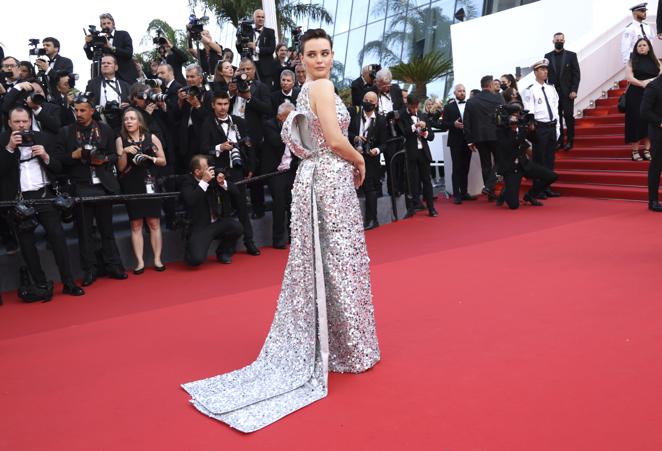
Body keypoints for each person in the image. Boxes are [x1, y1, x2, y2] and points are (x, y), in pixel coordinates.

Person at [181, 28, 380, 433]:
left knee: (331, 262)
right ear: (301, 59)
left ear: (331, 54)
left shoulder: (306, 91)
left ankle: (340, 346)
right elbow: (337, 139)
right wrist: (360, 160)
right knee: (342, 261)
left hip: (314, 179)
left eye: (325, 53)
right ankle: (350, 349)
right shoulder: (320, 89)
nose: (320, 60)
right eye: (312, 54)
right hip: (329, 177)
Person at [0, 107, 84, 298]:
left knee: (58, 238)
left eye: (25, 121)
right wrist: (9, 149)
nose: (22, 125)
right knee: (27, 244)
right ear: (9, 123)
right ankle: (41, 284)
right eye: (17, 122)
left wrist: (45, 156)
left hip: (43, 194)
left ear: (30, 121)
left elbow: (58, 167)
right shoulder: (3, 140)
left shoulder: (44, 138)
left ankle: (68, 282)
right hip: (18, 200)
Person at [59, 93, 127, 286]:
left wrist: (103, 159)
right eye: (76, 110)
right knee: (84, 232)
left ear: (91, 111)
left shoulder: (105, 130)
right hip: (80, 186)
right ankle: (90, 270)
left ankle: (114, 265)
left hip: (103, 185)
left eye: (82, 110)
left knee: (107, 230)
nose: (78, 114)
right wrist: (73, 155)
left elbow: (115, 155)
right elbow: (58, 162)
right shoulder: (66, 132)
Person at [199, 91, 260, 256]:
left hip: (238, 171)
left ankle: (250, 242)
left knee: (243, 209)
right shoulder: (207, 124)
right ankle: (227, 249)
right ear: (213, 105)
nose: (223, 108)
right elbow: (203, 150)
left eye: (225, 104)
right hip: (220, 173)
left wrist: (251, 168)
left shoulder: (239, 121)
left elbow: (249, 145)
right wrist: (219, 147)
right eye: (219, 104)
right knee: (225, 212)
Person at [116, 108, 167, 273]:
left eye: (132, 118)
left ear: (139, 121)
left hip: (150, 181)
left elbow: (163, 161)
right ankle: (140, 262)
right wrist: (123, 152)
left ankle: (158, 259)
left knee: (154, 222)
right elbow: (121, 168)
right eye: (126, 119)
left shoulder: (151, 137)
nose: (128, 122)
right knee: (136, 224)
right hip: (131, 184)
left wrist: (149, 158)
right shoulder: (120, 140)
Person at [180, 155, 243, 265]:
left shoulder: (213, 178)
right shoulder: (187, 181)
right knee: (195, 260)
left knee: (236, 227)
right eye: (206, 167)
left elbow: (236, 192)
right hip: (201, 227)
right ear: (197, 171)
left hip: (217, 222)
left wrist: (222, 183)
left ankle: (223, 252)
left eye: (209, 166)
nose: (210, 169)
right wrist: (204, 182)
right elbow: (190, 200)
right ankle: (190, 248)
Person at [522, 59, 561, 199]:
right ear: (535, 72)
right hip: (540, 127)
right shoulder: (530, 90)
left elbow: (556, 109)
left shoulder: (551, 88)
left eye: (546, 69)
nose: (545, 72)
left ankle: (547, 187)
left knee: (550, 159)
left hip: (551, 126)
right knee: (540, 160)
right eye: (542, 69)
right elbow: (529, 111)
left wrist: (558, 129)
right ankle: (538, 189)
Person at [261, 101, 297, 248]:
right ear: (279, 116)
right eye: (288, 117)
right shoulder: (269, 124)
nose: (291, 119)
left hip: (292, 169)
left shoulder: (297, 126)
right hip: (276, 171)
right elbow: (276, 141)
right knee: (279, 204)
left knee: (293, 204)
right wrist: (290, 131)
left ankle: (293, 236)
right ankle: (278, 238)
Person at [349, 90, 387, 229]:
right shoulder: (354, 114)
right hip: (352, 155)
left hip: (371, 159)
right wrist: (355, 137)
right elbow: (345, 131)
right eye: (366, 100)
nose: (368, 103)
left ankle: (372, 219)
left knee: (370, 188)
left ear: (376, 104)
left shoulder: (381, 120)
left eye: (371, 101)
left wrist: (375, 150)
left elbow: (384, 143)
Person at [463, 75, 505, 201]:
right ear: (490, 85)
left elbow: (467, 122)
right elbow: (504, 116)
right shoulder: (498, 98)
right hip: (496, 136)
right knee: (500, 161)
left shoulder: (471, 101)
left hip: (479, 138)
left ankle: (490, 192)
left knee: (485, 164)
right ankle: (488, 186)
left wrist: (469, 140)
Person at [399, 94, 438, 218]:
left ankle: (431, 208)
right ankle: (412, 207)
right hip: (410, 153)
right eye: (413, 107)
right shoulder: (402, 116)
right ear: (408, 105)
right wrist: (414, 126)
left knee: (426, 180)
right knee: (412, 182)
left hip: (423, 153)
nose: (415, 110)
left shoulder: (423, 116)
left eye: (417, 107)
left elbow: (431, 136)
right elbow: (403, 133)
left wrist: (425, 131)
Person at [624, 38, 661, 161]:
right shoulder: (632, 61)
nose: (642, 47)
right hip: (635, 94)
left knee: (649, 121)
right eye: (639, 45)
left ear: (649, 47)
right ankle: (634, 150)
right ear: (636, 48)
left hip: (653, 95)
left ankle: (646, 150)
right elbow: (629, 77)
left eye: (644, 45)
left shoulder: (656, 61)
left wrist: (651, 83)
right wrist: (642, 83)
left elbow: (660, 74)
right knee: (636, 121)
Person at [544, 32, 581, 150]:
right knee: (557, 117)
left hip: (568, 93)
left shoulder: (571, 55)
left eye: (561, 40)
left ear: (564, 41)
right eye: (557, 40)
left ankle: (570, 140)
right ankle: (559, 141)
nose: (559, 41)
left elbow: (576, 74)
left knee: (569, 116)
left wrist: (574, 90)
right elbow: (545, 75)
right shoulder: (547, 56)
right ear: (553, 41)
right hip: (553, 93)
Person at [441, 84, 474, 204]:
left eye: (464, 91)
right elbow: (443, 124)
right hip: (455, 141)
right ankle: (456, 194)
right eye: (459, 91)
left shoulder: (470, 105)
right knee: (457, 168)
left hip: (468, 141)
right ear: (455, 93)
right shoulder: (448, 107)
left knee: (466, 167)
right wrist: (453, 125)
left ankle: (464, 192)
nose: (462, 93)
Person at [84, 13, 138, 84]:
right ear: (101, 26)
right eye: (104, 24)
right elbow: (91, 56)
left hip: (126, 77)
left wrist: (111, 47)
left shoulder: (123, 34)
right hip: (107, 78)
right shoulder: (99, 38)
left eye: (108, 23)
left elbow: (128, 53)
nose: (106, 25)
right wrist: (87, 44)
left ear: (113, 24)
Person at [637, 64, 662, 211]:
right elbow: (644, 111)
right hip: (658, 133)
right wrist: (660, 123)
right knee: (656, 167)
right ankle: (653, 201)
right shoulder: (653, 86)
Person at [237, 9, 277, 88]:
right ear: (254, 18)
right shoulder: (248, 32)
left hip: (266, 69)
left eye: (262, 17)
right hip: (251, 67)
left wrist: (256, 48)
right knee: (253, 91)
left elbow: (271, 49)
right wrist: (238, 41)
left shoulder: (270, 32)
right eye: (258, 17)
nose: (260, 19)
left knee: (266, 91)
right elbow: (241, 50)